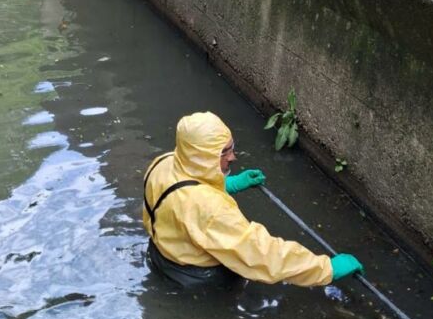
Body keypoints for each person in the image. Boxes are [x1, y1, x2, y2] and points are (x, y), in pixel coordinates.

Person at [143, 111, 364, 289]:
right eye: (224, 152)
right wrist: (326, 268)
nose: (233, 157)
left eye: (232, 148)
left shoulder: (164, 162)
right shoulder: (211, 209)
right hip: (198, 277)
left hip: (161, 253)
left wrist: (226, 184)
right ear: (203, 157)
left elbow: (179, 200)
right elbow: (262, 254)